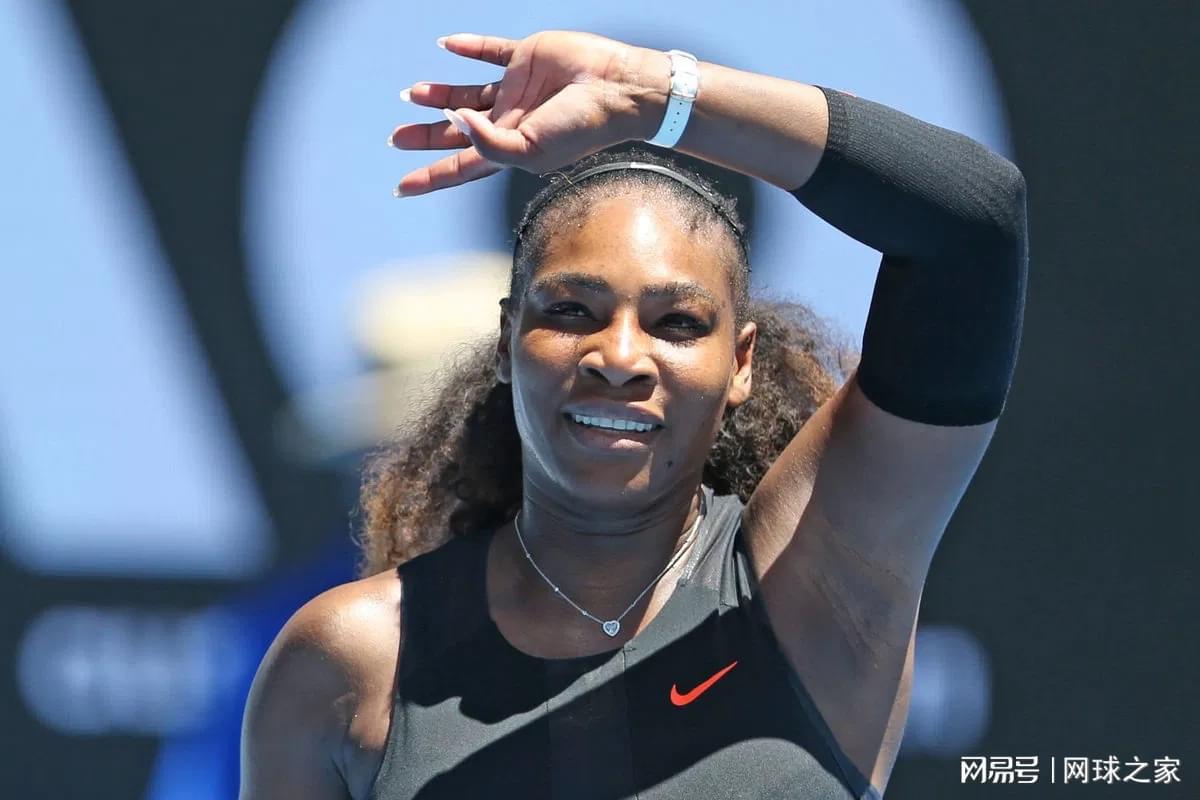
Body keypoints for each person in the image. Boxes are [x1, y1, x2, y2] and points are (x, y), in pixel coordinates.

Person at [239, 30, 1028, 800]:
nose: (619, 356)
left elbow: (974, 220)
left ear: (741, 363)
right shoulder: (348, 660)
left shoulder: (815, 588)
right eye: (572, 310)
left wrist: (654, 94)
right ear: (508, 339)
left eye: (677, 323)